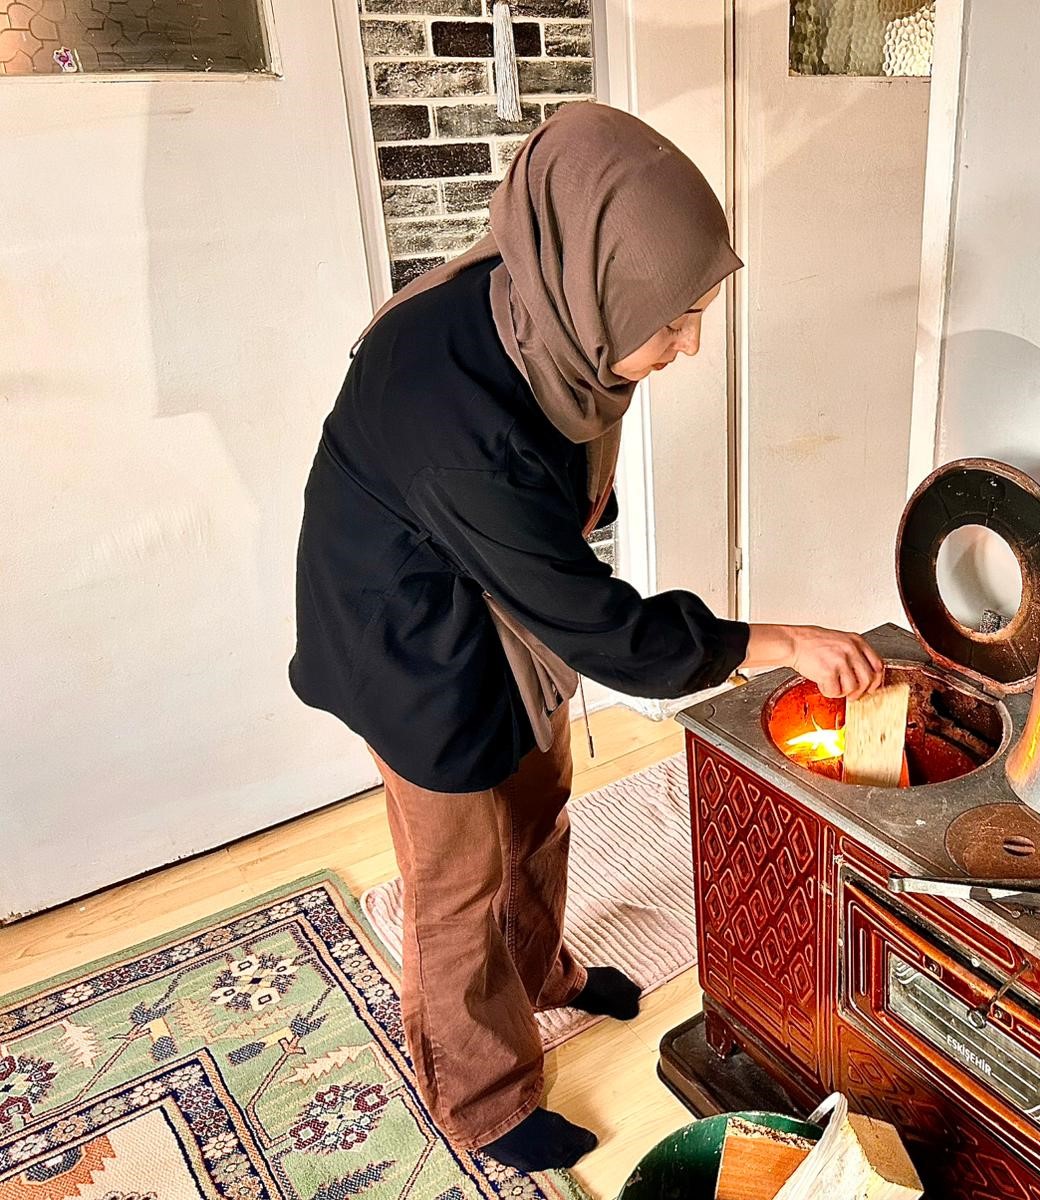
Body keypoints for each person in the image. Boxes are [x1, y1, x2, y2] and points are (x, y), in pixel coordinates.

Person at [288, 103, 883, 1172]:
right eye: (674, 320)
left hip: (490, 586)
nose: (689, 343)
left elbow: (552, 530)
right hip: (404, 630)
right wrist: (781, 638)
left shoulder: (545, 316)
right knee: (455, 877)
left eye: (694, 309)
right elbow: (607, 632)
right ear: (594, 285)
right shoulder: (453, 416)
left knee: (540, 802)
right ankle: (481, 1097)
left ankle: (545, 972)